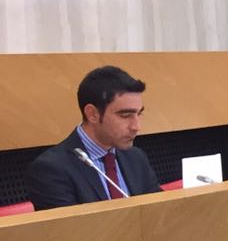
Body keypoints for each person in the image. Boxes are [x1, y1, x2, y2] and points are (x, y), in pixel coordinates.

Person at [26, 65, 161, 208]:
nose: (136, 127)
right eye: (125, 115)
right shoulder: (51, 169)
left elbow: (160, 212)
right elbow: (73, 223)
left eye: (139, 114)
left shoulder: (136, 158)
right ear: (92, 114)